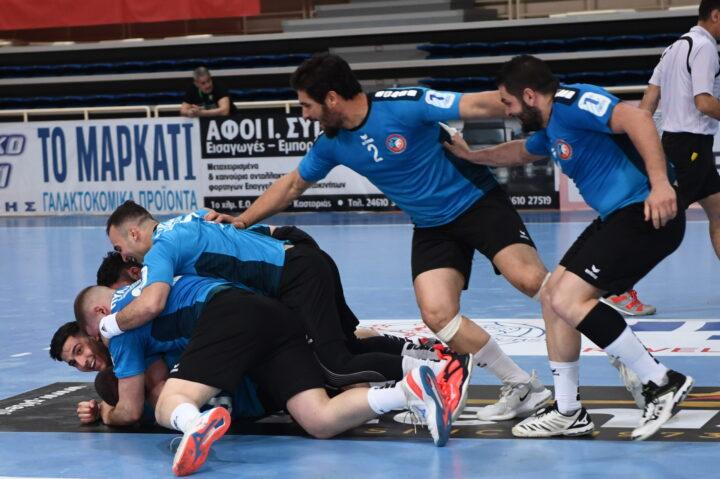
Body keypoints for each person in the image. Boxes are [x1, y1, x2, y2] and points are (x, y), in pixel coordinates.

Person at [205, 52, 579, 421]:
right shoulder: (332, 143)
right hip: (431, 226)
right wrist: (241, 221)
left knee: (531, 281)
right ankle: (521, 386)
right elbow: (291, 186)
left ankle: (602, 340)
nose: (305, 115)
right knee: (438, 314)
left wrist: (555, 105)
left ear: (331, 99)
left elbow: (477, 105)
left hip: (476, 201)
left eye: (307, 105)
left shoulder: (404, 104)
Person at [443, 54, 693, 441]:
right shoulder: (550, 127)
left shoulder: (573, 103)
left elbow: (638, 119)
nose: (507, 111)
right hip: (617, 217)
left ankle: (661, 382)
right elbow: (520, 152)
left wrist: (661, 185)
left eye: (508, 102)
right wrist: (471, 156)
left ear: (529, 95)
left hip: (645, 211)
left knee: (570, 299)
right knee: (552, 297)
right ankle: (568, 411)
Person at [98, 202, 473, 419]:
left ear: (135, 233)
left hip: (293, 277)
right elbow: (238, 230)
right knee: (346, 346)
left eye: (119, 248)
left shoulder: (161, 248)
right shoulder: (192, 218)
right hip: (305, 260)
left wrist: (110, 324)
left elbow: (153, 302)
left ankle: (441, 373)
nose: (124, 257)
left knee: (336, 365)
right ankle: (434, 357)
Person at [74, 275, 454, 476]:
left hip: (227, 316)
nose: (99, 342)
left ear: (99, 314)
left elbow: (132, 407)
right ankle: (409, 391)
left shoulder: (118, 323)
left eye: (92, 336)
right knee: (319, 420)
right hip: (270, 315)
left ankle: (195, 424)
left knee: (168, 405)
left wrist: (105, 412)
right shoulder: (150, 281)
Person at [640, 0, 720, 259]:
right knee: (658, 222)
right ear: (715, 15)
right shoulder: (705, 47)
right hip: (691, 148)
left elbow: (648, 103)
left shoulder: (673, 48)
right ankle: (610, 275)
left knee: (718, 212)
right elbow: (704, 102)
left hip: (682, 144)